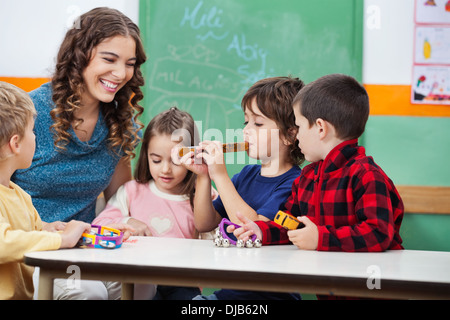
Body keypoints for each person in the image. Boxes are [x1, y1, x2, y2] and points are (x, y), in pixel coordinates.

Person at [11, 7, 146, 300]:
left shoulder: (120, 122)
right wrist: (47, 231)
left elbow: (119, 198)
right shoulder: (29, 113)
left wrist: (129, 219)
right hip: (29, 252)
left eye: (130, 64)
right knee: (87, 291)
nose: (121, 73)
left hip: (85, 250)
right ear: (79, 56)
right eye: (109, 59)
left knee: (144, 283)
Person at [231, 74, 404, 299]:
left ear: (320, 128)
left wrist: (320, 238)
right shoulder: (308, 177)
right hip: (332, 290)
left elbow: (377, 233)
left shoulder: (366, 175)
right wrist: (261, 231)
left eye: (300, 126)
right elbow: (290, 223)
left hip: (373, 292)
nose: (297, 135)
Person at [180, 76, 305, 300]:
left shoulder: (295, 183)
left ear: (289, 135)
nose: (246, 130)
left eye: (257, 123)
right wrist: (204, 176)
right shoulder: (246, 175)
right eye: (245, 122)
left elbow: (254, 230)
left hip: (270, 298)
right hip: (230, 293)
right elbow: (204, 223)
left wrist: (220, 174)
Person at [94, 107, 214, 300]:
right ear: (146, 155)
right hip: (138, 281)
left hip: (183, 284)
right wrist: (128, 221)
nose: (165, 169)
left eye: (176, 161)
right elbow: (98, 226)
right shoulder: (132, 192)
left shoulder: (202, 196)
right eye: (156, 160)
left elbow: (215, 244)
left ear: (192, 156)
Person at [0, 81, 92, 300]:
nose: (35, 137)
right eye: (32, 131)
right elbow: (4, 243)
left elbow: (34, 235)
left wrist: (83, 233)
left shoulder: (19, 195)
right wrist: (64, 240)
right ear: (15, 143)